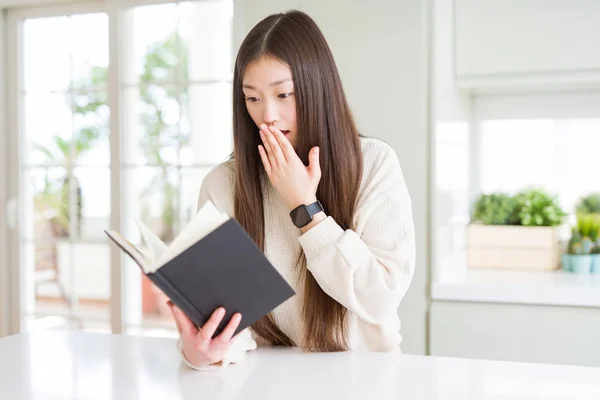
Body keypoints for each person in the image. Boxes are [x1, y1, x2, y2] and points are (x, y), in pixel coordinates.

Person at [167, 9, 416, 370]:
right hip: (266, 381)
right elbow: (221, 324)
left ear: (318, 89)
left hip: (367, 379)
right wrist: (198, 354)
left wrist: (305, 208)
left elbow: (380, 298)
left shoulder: (374, 164)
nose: (267, 114)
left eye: (284, 94)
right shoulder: (223, 184)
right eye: (252, 98)